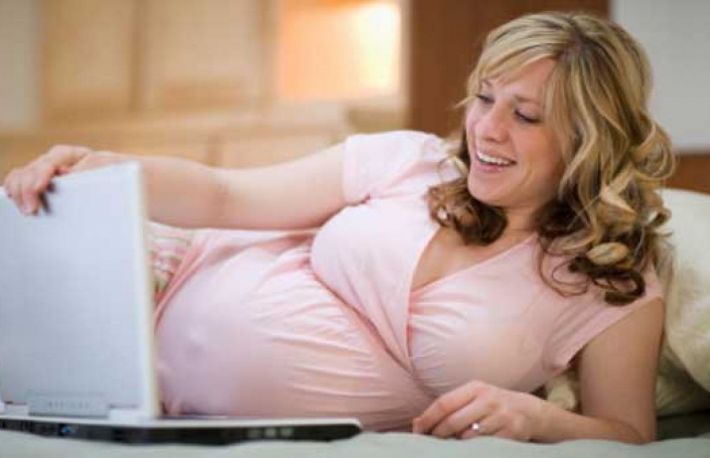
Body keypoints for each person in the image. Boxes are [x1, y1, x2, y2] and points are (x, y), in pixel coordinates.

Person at [2, 11, 674, 443]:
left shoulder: (607, 279)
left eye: (524, 115)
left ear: (588, 139)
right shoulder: (412, 161)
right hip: (155, 289)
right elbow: (226, 194)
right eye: (484, 98)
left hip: (157, 409)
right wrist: (103, 168)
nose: (487, 129)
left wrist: (539, 418)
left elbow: (628, 431)